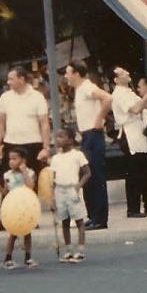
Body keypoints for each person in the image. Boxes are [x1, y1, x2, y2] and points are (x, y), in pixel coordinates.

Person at [0, 66, 50, 232]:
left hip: (33, 144)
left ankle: (31, 217)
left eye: (11, 78)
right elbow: (0, 122)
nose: (8, 82)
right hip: (11, 143)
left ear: (22, 79)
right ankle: (4, 219)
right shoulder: (5, 98)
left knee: (30, 183)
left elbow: (44, 123)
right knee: (7, 181)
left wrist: (45, 147)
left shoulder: (37, 97)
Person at [60, 60, 112, 230]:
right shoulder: (80, 90)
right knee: (88, 176)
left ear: (76, 73)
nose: (66, 76)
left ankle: (100, 219)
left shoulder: (87, 87)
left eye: (68, 72)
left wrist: (100, 118)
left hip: (93, 134)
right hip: (86, 135)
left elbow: (107, 98)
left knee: (95, 176)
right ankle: (93, 215)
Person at [110, 67, 147, 218]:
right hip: (129, 134)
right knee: (134, 174)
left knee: (144, 170)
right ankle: (133, 209)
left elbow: (144, 104)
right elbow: (136, 109)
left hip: (138, 134)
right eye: (123, 73)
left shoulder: (129, 92)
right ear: (116, 79)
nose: (128, 73)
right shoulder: (119, 94)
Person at [49, 127, 92, 263]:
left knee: (79, 220)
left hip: (72, 189)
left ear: (71, 139)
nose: (58, 140)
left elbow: (87, 173)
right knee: (64, 220)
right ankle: (68, 249)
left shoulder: (77, 155)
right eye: (57, 137)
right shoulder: (55, 158)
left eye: (61, 137)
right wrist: (52, 198)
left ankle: (80, 250)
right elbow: (53, 179)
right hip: (60, 190)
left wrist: (78, 186)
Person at [2, 148, 37, 270]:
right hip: (13, 207)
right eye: (9, 159)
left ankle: (28, 257)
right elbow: (6, 192)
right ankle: (8, 257)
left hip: (25, 206)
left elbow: (30, 187)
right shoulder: (7, 175)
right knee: (13, 233)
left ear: (23, 160)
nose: (11, 162)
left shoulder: (30, 173)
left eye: (14, 159)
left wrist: (24, 172)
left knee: (27, 233)